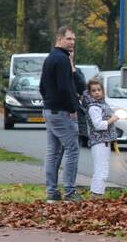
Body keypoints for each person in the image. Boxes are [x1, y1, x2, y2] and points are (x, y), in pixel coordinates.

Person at [39, 26, 85, 203]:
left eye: (74, 39)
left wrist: (49, 102)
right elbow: (66, 88)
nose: (72, 42)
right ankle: (70, 191)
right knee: (72, 149)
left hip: (50, 110)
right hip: (62, 112)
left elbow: (42, 87)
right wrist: (72, 108)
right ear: (59, 39)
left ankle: (51, 192)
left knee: (53, 152)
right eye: (69, 39)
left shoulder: (50, 58)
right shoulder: (62, 59)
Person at [81, 78, 120, 198]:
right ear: (90, 93)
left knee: (102, 169)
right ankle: (96, 195)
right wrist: (112, 120)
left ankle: (97, 193)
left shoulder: (102, 104)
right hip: (99, 141)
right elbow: (98, 125)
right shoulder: (94, 107)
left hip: (104, 141)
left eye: (99, 90)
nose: (97, 92)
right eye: (94, 91)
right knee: (101, 170)